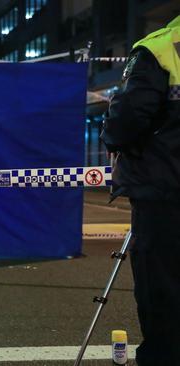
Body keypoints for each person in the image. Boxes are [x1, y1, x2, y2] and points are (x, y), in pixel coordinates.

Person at [101, 15, 180, 366]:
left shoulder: (162, 47)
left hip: (166, 193)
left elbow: (128, 116)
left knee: (162, 291)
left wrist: (112, 138)